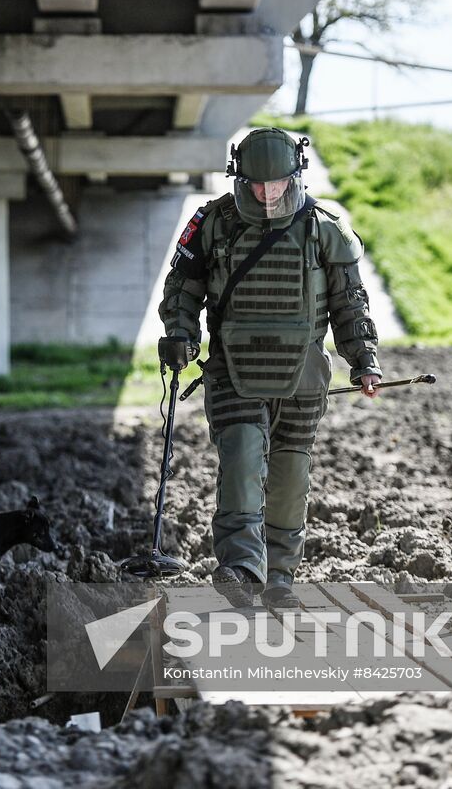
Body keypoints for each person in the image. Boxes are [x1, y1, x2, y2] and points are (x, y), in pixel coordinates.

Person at [159, 127, 382, 608]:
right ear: (240, 177)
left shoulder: (323, 227)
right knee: (240, 459)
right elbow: (182, 287)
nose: (266, 194)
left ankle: (280, 576)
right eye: (257, 185)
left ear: (294, 176)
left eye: (276, 184)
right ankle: (241, 567)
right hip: (232, 368)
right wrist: (180, 335)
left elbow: (350, 302)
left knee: (290, 475)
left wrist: (364, 359)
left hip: (302, 374)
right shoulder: (212, 223)